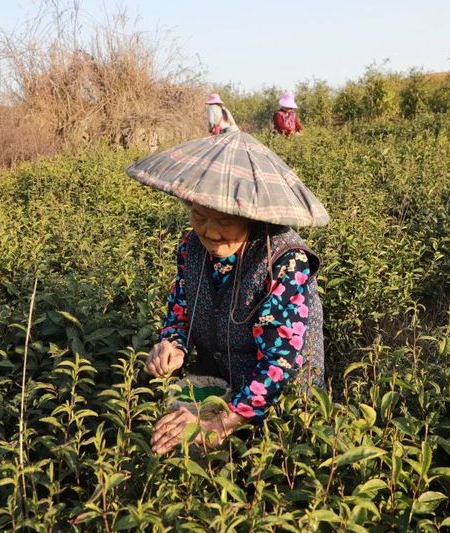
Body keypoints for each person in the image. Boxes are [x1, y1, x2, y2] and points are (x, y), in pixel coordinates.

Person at [125, 132, 329, 455]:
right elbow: (181, 311)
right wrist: (173, 345)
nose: (210, 231)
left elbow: (279, 367)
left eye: (225, 221)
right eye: (199, 216)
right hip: (220, 386)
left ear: (251, 215)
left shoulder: (285, 262)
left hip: (283, 412)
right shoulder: (191, 248)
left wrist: (219, 425)